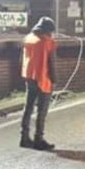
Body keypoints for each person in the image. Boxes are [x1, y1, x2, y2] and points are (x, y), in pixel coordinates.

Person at [20, 16, 57, 150]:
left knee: (28, 107)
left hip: (29, 75)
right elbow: (51, 63)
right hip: (43, 77)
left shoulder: (29, 38)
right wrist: (54, 80)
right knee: (42, 110)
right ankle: (38, 139)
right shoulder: (47, 42)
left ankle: (24, 137)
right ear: (48, 30)